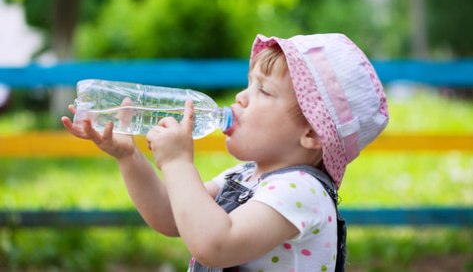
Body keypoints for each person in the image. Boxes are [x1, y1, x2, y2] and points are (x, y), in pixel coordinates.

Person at [62, 33, 389, 272]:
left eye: (263, 90)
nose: (241, 97)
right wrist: (128, 157)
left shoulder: (302, 191)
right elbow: (171, 217)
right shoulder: (245, 175)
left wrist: (177, 162)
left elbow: (214, 245)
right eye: (248, 84)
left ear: (311, 133)